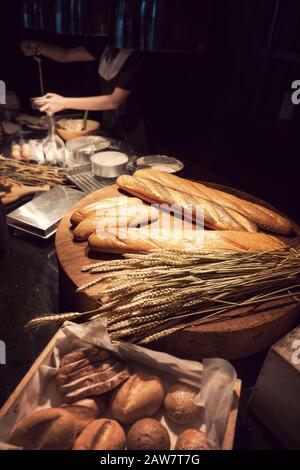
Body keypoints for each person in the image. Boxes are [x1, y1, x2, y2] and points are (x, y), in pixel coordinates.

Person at [21, 40, 148, 151]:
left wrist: (63, 102)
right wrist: (38, 46)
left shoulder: (136, 54)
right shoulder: (106, 46)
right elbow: (65, 55)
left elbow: (114, 101)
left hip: (132, 126)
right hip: (110, 123)